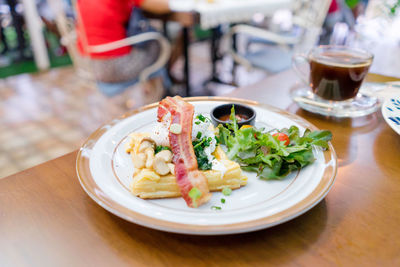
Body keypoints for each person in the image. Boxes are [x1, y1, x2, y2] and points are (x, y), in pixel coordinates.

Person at [76, 0, 170, 104]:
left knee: (150, 41)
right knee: (157, 44)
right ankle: (160, 93)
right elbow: (157, 5)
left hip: (91, 63)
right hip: (115, 66)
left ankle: (163, 86)